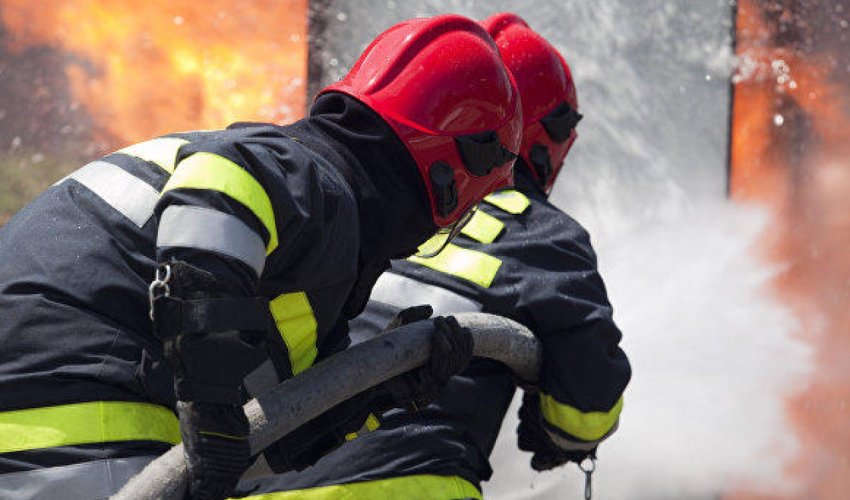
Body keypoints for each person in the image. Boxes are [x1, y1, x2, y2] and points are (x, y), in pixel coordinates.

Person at [0, 14, 523, 500]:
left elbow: (261, 440)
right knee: (432, 474)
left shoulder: (292, 234)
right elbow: (220, 185)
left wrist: (379, 390)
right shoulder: (309, 178)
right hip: (80, 428)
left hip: (41, 436)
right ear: (449, 178)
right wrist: (209, 402)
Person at [242, 13, 631, 500]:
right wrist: (552, 424)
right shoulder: (542, 236)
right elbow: (585, 414)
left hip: (254, 482)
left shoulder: (347, 206)